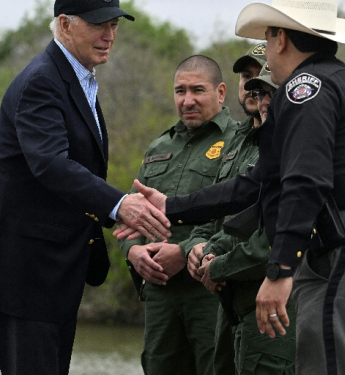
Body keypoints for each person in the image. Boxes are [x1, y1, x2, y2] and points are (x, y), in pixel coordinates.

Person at [117, 2, 345, 374]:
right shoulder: (337, 79)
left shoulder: (303, 88)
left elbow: (305, 182)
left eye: (266, 36)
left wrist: (279, 271)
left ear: (281, 39)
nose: (265, 61)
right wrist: (172, 207)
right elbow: (257, 183)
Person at [0, 1, 172, 374]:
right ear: (64, 24)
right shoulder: (42, 80)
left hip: (56, 275)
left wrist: (117, 210)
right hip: (26, 278)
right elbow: (52, 165)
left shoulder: (78, 77)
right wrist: (120, 205)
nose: (109, 35)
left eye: (114, 25)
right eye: (98, 25)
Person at [119, 55, 238, 375]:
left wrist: (183, 251)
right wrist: (133, 251)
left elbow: (247, 219)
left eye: (198, 90)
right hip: (160, 296)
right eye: (180, 91)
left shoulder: (239, 143)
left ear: (221, 92)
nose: (187, 100)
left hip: (211, 291)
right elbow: (130, 218)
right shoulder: (158, 146)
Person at [191, 64, 297, 374]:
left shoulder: (299, 154)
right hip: (237, 304)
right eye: (260, 94)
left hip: (280, 309)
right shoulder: (267, 151)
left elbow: (271, 243)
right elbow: (241, 219)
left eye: (272, 95)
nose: (263, 102)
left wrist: (218, 266)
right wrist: (208, 249)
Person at [181, 44, 267, 375]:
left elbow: (269, 230)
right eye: (246, 77)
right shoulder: (234, 141)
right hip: (227, 299)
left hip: (265, 295)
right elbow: (214, 212)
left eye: (260, 77)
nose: (251, 87)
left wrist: (215, 262)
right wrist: (197, 248)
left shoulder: (286, 141)